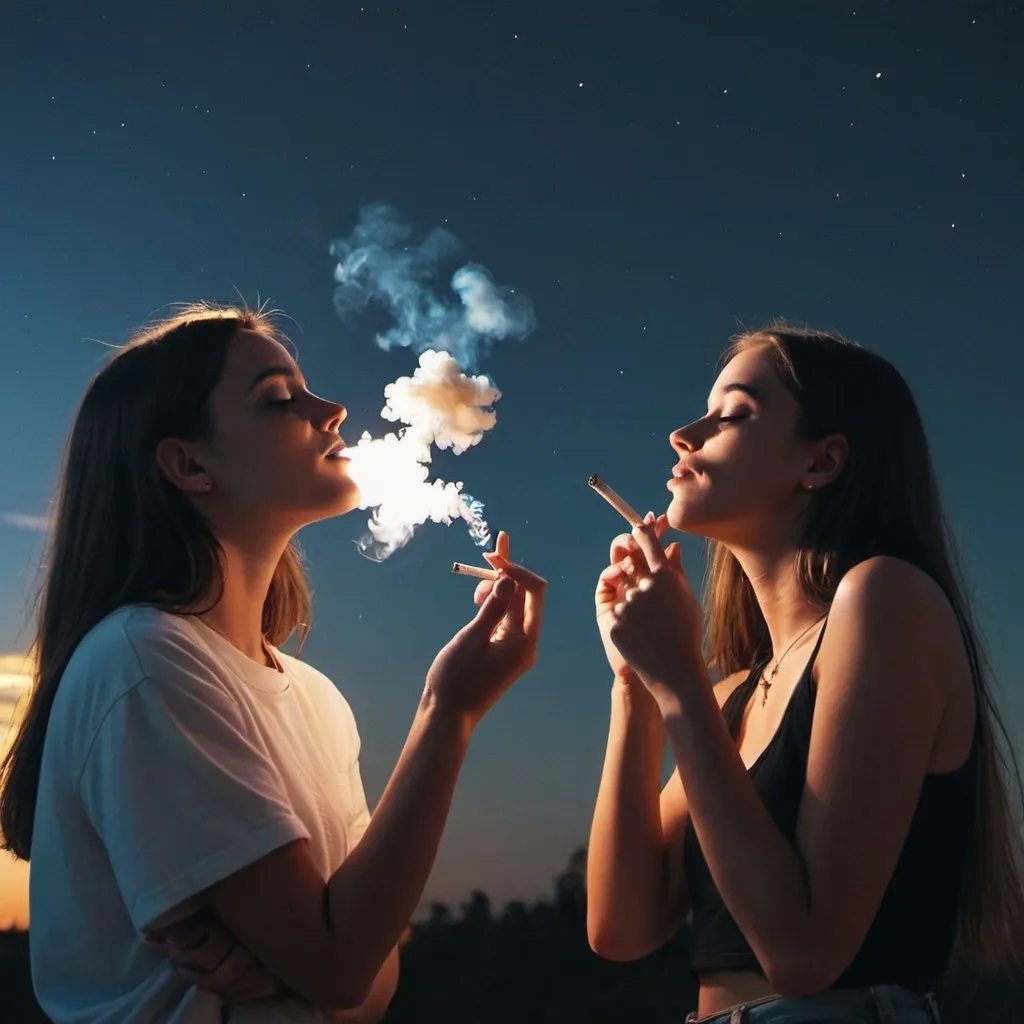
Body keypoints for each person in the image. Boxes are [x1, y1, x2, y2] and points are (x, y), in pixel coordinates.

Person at [0, 303, 545, 1023]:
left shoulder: (317, 699)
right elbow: (344, 967)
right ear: (189, 464)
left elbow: (369, 984)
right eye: (279, 398)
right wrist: (449, 712)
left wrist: (313, 955)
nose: (335, 409)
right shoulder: (146, 662)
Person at [585, 324, 1024, 1023]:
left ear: (820, 464)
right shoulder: (729, 695)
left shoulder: (886, 599)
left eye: (731, 414)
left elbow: (804, 956)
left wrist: (678, 681)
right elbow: (621, 927)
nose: (682, 433)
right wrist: (635, 684)